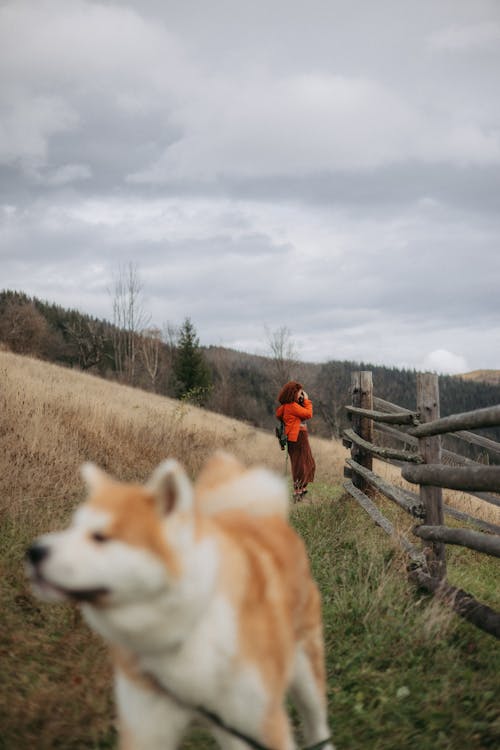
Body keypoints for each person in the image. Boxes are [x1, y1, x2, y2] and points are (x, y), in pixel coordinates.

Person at [276, 381, 316, 501]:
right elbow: (309, 414)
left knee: (305, 463)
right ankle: (298, 491)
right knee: (301, 464)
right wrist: (307, 401)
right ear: (294, 393)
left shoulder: (286, 406)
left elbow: (278, 414)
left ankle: (301, 488)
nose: (301, 395)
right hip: (298, 437)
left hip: (294, 437)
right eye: (300, 393)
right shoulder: (293, 406)